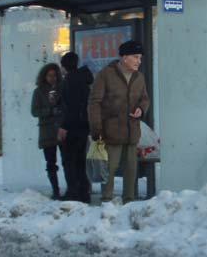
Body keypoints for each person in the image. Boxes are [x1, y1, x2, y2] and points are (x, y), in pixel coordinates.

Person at [88, 39, 150, 203]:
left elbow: (145, 99)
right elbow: (95, 102)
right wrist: (97, 129)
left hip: (132, 132)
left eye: (140, 58)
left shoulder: (139, 77)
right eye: (136, 57)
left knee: (131, 169)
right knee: (110, 168)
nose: (139, 61)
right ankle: (107, 201)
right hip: (111, 131)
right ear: (124, 57)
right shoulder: (106, 75)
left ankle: (129, 201)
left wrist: (141, 109)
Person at [56, 52, 94, 203]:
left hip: (71, 128)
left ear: (64, 66)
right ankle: (84, 192)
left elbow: (69, 107)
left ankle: (73, 192)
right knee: (80, 161)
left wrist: (63, 126)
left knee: (69, 161)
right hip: (83, 127)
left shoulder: (69, 81)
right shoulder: (84, 80)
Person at [31, 63, 63, 199]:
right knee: (51, 162)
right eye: (49, 75)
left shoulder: (61, 89)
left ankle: (72, 188)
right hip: (47, 130)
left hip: (61, 129)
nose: (52, 78)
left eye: (55, 75)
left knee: (67, 160)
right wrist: (49, 110)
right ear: (44, 76)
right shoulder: (38, 92)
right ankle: (55, 190)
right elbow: (34, 111)